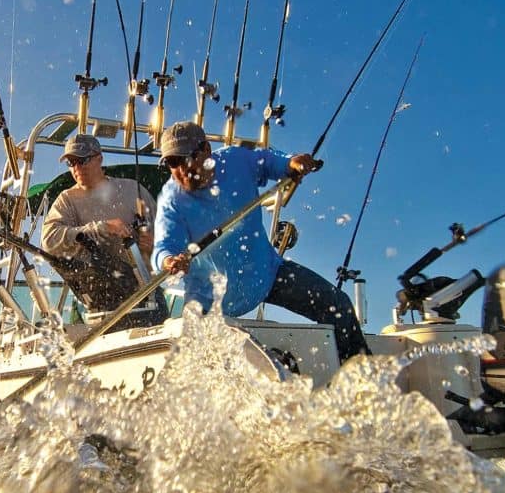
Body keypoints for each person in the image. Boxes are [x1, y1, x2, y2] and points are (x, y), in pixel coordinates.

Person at [152, 121, 369, 362]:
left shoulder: (235, 160)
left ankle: (364, 378)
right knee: (190, 362)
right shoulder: (171, 200)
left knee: (338, 306)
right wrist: (169, 260)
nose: (182, 170)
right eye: (173, 163)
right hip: (208, 301)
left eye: (186, 158)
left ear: (206, 150)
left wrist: (290, 162)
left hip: (266, 274)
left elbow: (269, 162)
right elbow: (163, 248)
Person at [41, 134, 166, 327]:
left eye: (82, 160)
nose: (76, 168)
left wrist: (152, 243)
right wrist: (101, 228)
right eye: (71, 163)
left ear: (99, 158)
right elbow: (49, 241)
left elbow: (166, 235)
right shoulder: (67, 199)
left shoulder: (133, 189)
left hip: (148, 295)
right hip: (103, 304)